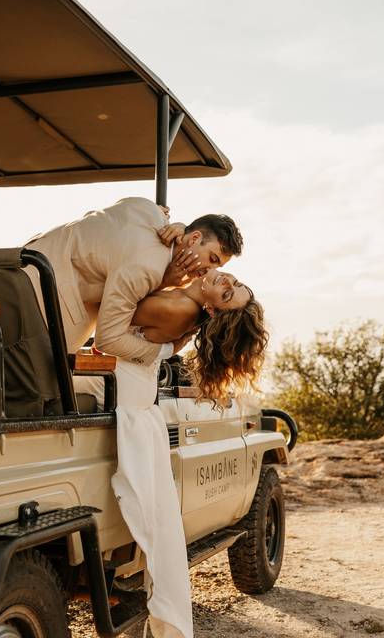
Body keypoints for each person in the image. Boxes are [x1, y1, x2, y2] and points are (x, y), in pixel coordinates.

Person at [74, 267, 268, 638]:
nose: (227, 281)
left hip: (116, 382)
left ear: (213, 312)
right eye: (235, 282)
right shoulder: (184, 307)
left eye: (229, 293)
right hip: (128, 383)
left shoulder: (179, 307)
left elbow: (105, 312)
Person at [23, 197, 243, 366]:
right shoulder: (148, 269)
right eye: (212, 259)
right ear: (194, 238)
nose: (209, 270)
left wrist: (177, 229)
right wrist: (168, 350)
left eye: (217, 266)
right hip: (40, 306)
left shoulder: (146, 206)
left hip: (22, 259)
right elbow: (107, 340)